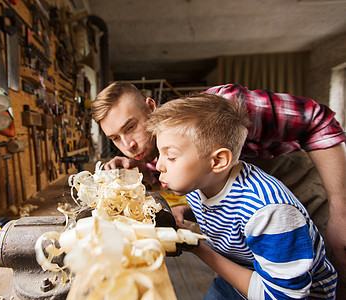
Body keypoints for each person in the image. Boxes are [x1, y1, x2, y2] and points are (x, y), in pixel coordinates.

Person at [91, 82, 346, 296]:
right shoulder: (171, 154)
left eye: (130, 127)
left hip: (303, 189)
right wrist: (144, 172)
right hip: (246, 228)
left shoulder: (228, 108)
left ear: (151, 107)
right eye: (115, 139)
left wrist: (340, 211)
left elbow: (317, 120)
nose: (128, 146)